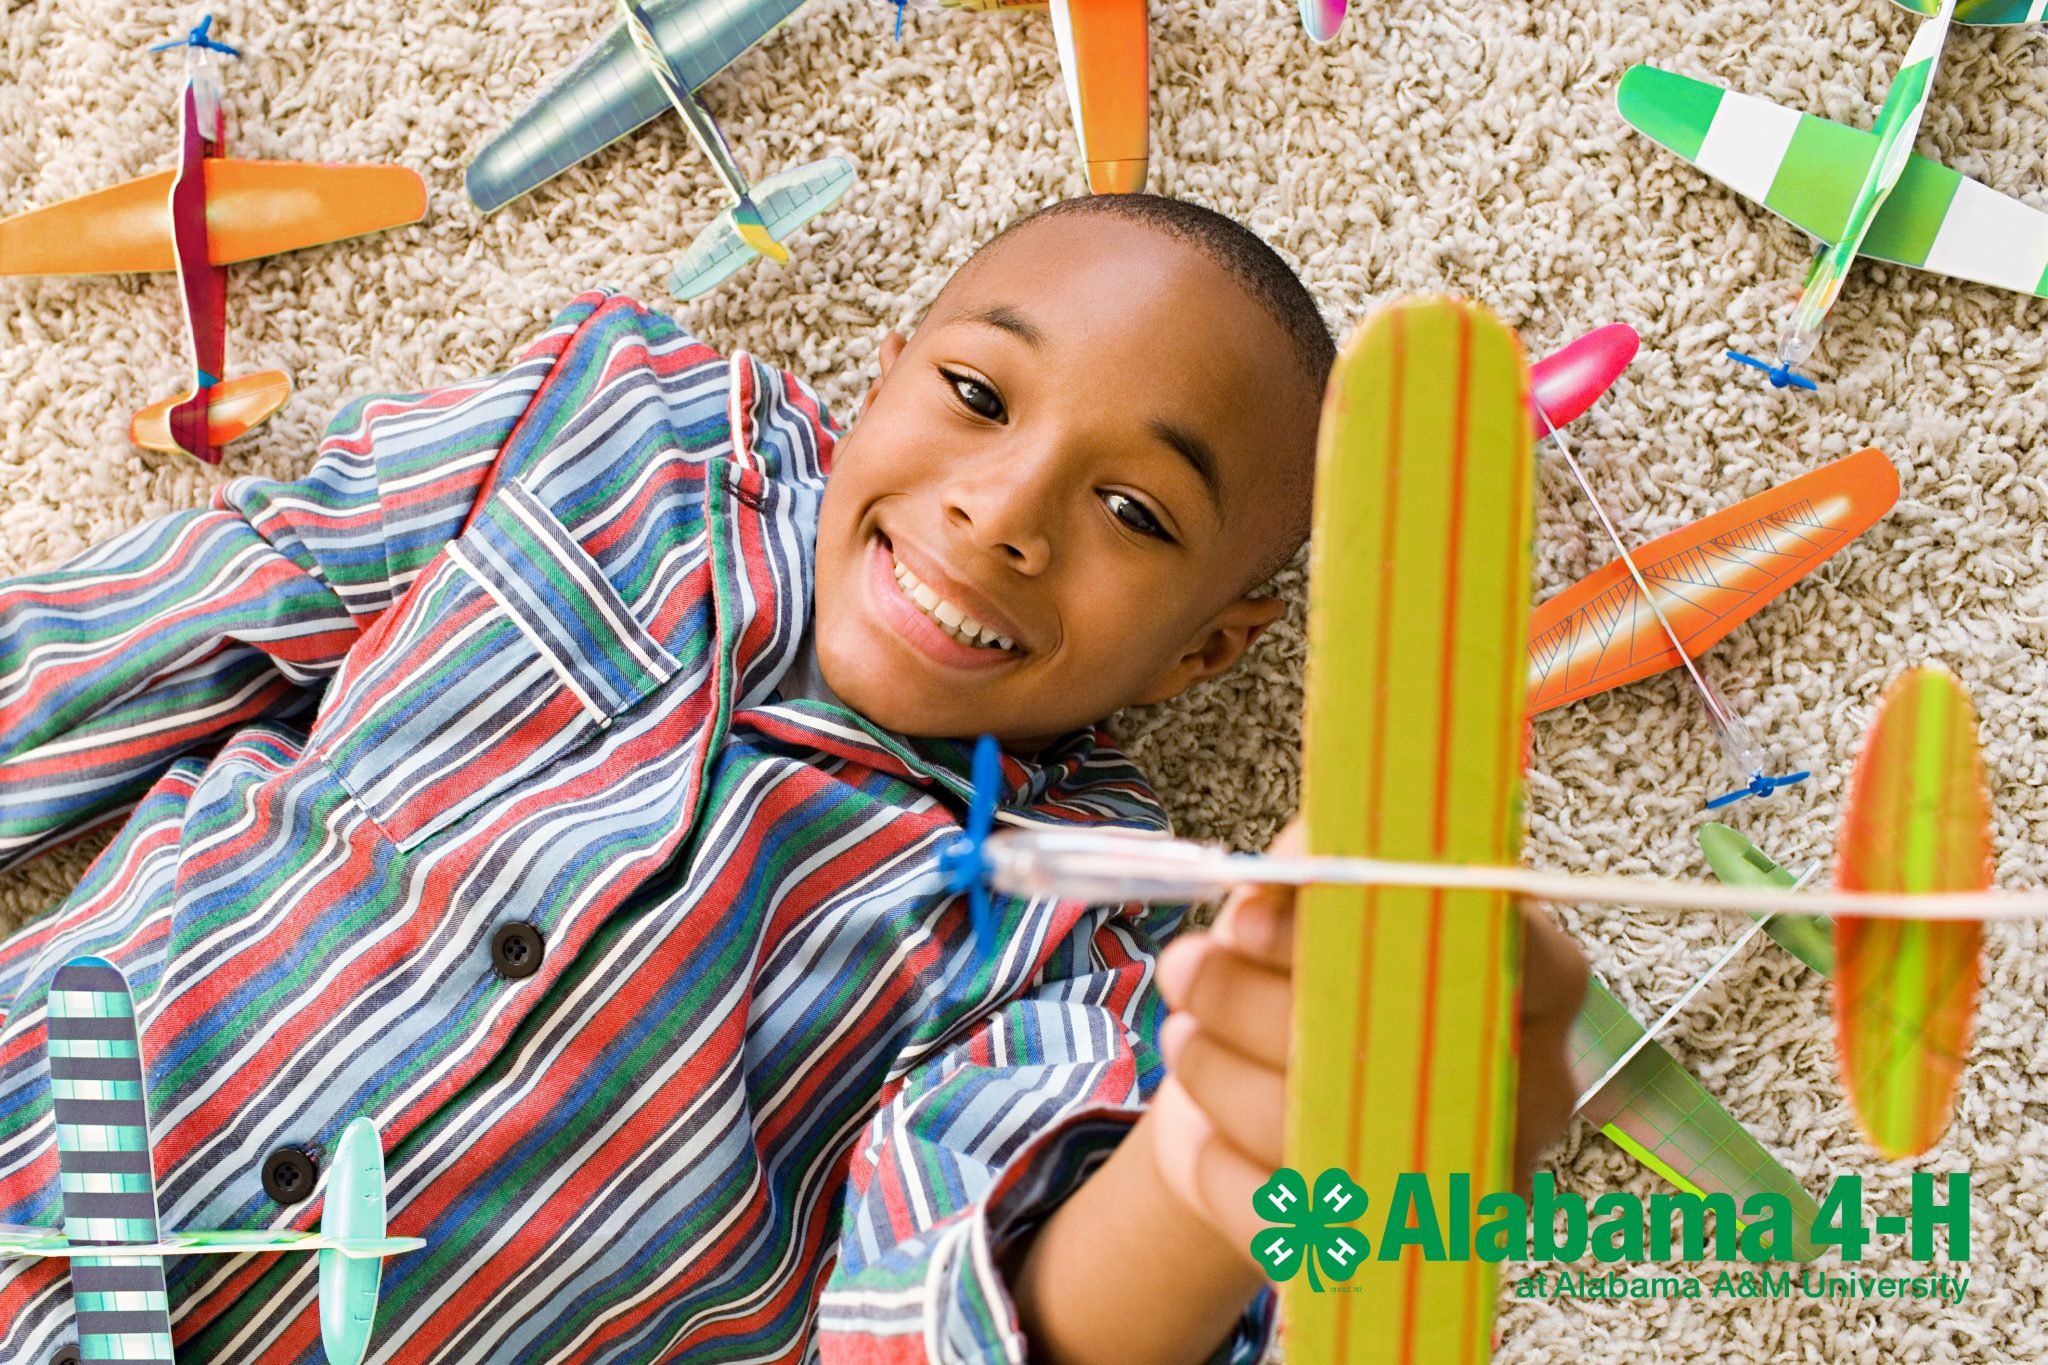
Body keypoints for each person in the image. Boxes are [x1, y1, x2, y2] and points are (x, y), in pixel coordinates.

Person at [0, 194, 1586, 1365]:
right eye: (975, 396)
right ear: (887, 372)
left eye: (1139, 513)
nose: (1003, 510)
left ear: (1203, 657)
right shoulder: (621, 434)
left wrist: (1211, 1171)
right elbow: (186, 612)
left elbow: (974, 1306)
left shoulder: (1083, 963)